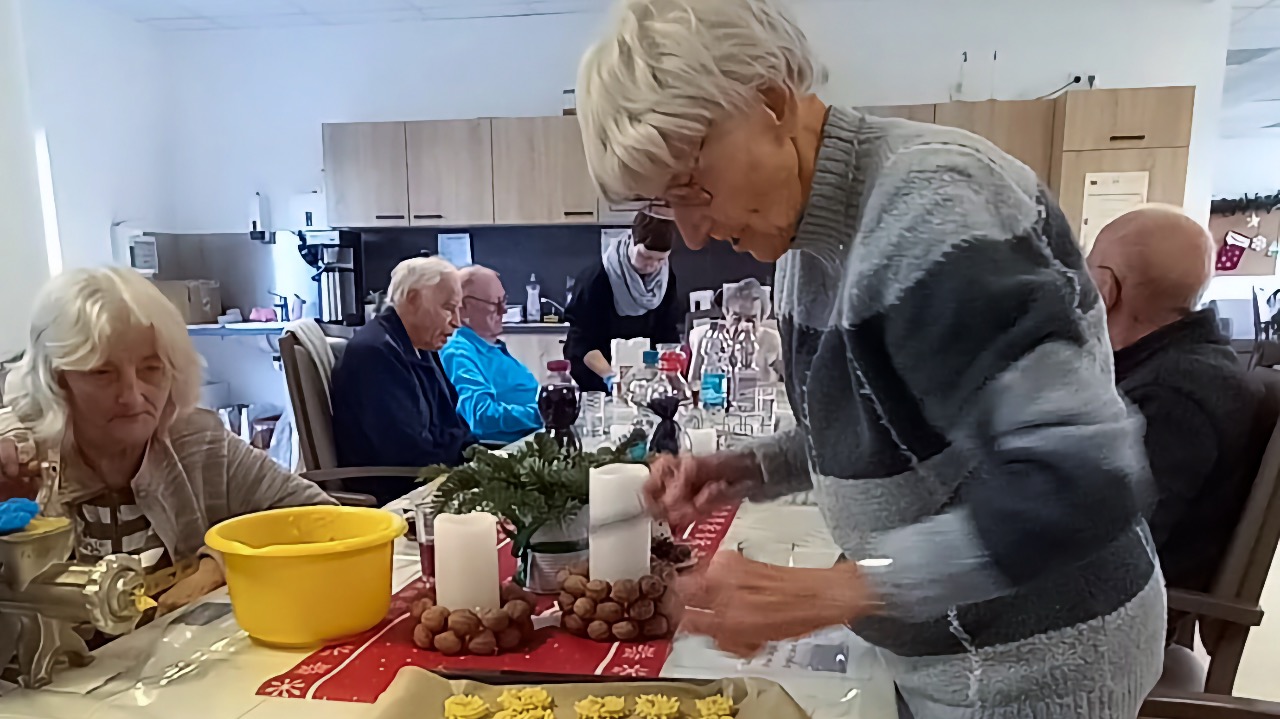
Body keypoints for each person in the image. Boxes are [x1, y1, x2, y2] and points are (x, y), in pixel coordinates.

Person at [577, 0, 1163, 715]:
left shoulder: (928, 209)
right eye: (668, 207)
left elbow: (1082, 473)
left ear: (769, 102)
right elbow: (887, 418)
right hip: (944, 648)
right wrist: (746, 468)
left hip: (1029, 662)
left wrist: (840, 587)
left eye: (693, 189)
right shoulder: (802, 244)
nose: (694, 234)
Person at [0, 267, 335, 615]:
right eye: (102, 372)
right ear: (58, 381)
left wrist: (220, 564)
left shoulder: (197, 442)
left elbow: (324, 519)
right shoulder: (20, 463)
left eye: (151, 368)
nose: (132, 396)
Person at [1089, 207, 1265, 594]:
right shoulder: (1181, 366)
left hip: (1107, 621)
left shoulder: (1174, 396)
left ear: (1106, 287)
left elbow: (1107, 553)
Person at [330, 257, 477, 505]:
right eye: (449, 308)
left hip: (431, 479)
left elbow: (453, 424)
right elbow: (409, 453)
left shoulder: (420, 347)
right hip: (400, 494)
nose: (457, 322)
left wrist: (478, 456)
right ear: (412, 299)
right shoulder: (375, 353)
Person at [564, 212, 686, 392]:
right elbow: (581, 343)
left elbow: (666, 333)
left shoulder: (665, 280)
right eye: (645, 256)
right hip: (599, 379)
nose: (652, 266)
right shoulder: (596, 279)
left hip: (646, 383)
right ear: (631, 241)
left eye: (660, 259)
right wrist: (611, 377)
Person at [439, 265, 542, 445]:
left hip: (533, 437)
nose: (504, 311)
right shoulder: (458, 351)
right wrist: (544, 413)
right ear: (463, 306)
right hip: (507, 453)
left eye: (504, 301)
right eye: (495, 304)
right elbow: (482, 417)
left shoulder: (488, 345)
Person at [688, 278, 784, 384]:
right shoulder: (706, 337)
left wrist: (757, 359)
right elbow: (693, 383)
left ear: (761, 318)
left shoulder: (773, 340)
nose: (743, 326)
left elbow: (782, 383)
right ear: (726, 314)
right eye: (736, 318)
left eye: (750, 320)